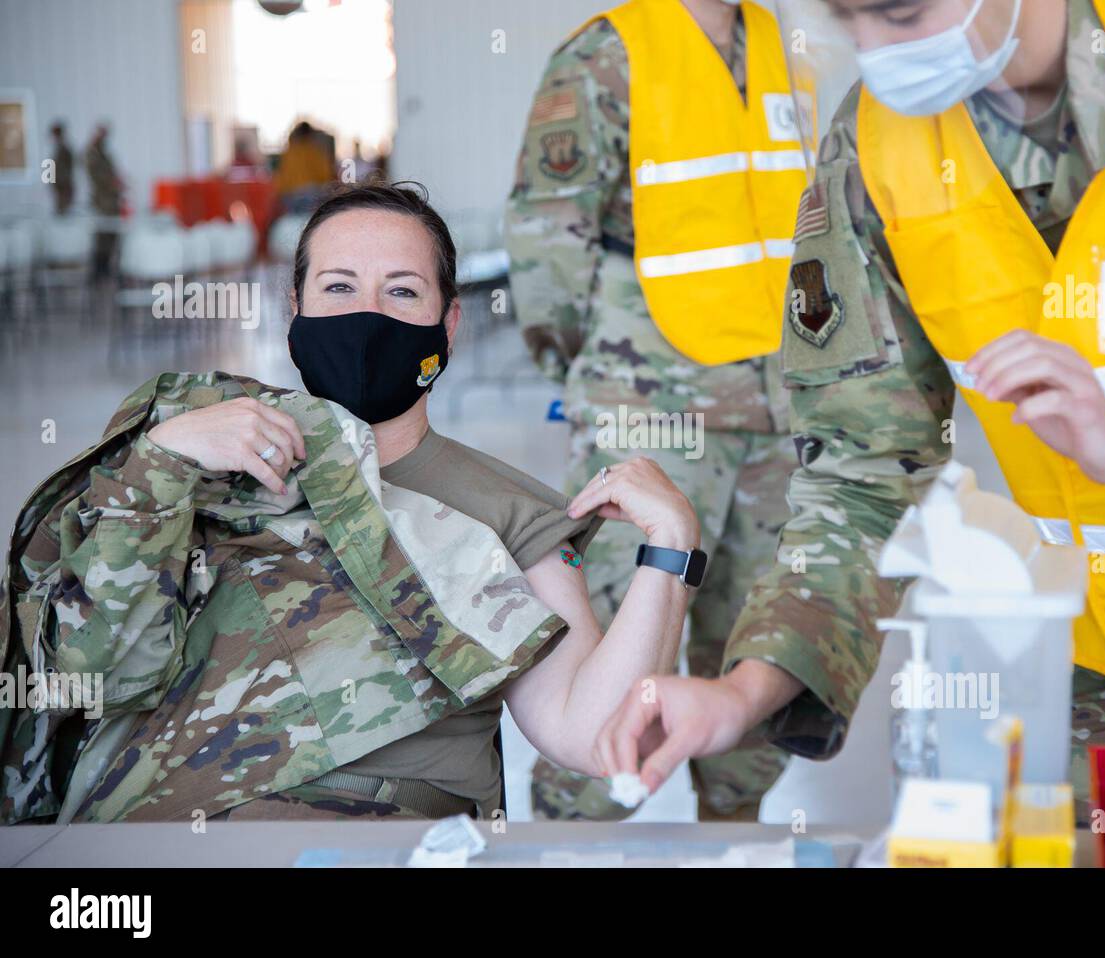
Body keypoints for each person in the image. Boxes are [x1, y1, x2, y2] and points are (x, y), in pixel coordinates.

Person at [595, 0, 1105, 865]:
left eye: (899, 12)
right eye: (848, 20)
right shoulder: (876, 147)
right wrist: (745, 690)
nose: (878, 56)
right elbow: (861, 467)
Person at [0, 182, 701, 824]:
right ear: (295, 310)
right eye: (339, 287)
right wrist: (161, 462)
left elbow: (586, 732)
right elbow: (87, 676)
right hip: (173, 835)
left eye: (401, 292)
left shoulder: (508, 510)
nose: (367, 314)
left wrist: (670, 547)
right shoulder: (203, 464)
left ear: (448, 326)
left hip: (373, 833)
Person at [505, 0, 808, 822]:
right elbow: (547, 237)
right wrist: (589, 371)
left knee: (755, 652)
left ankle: (735, 834)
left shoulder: (777, 41)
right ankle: (574, 840)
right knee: (614, 662)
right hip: (651, 411)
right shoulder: (610, 50)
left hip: (776, 409)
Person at [85, 123, 123, 278]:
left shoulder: (103, 153)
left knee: (111, 236)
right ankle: (100, 269)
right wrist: (112, 182)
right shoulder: (92, 153)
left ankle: (106, 267)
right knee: (102, 235)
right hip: (103, 201)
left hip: (111, 200)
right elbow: (98, 176)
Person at [273, 121, 335, 214]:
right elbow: (325, 174)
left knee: (294, 222)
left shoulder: (289, 153)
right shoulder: (314, 151)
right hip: (310, 194)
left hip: (291, 196)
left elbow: (282, 176)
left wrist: (280, 193)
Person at [48, 122, 74, 215]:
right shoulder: (59, 147)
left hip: (63, 184)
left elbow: (65, 168)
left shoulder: (63, 148)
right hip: (60, 184)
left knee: (63, 211)